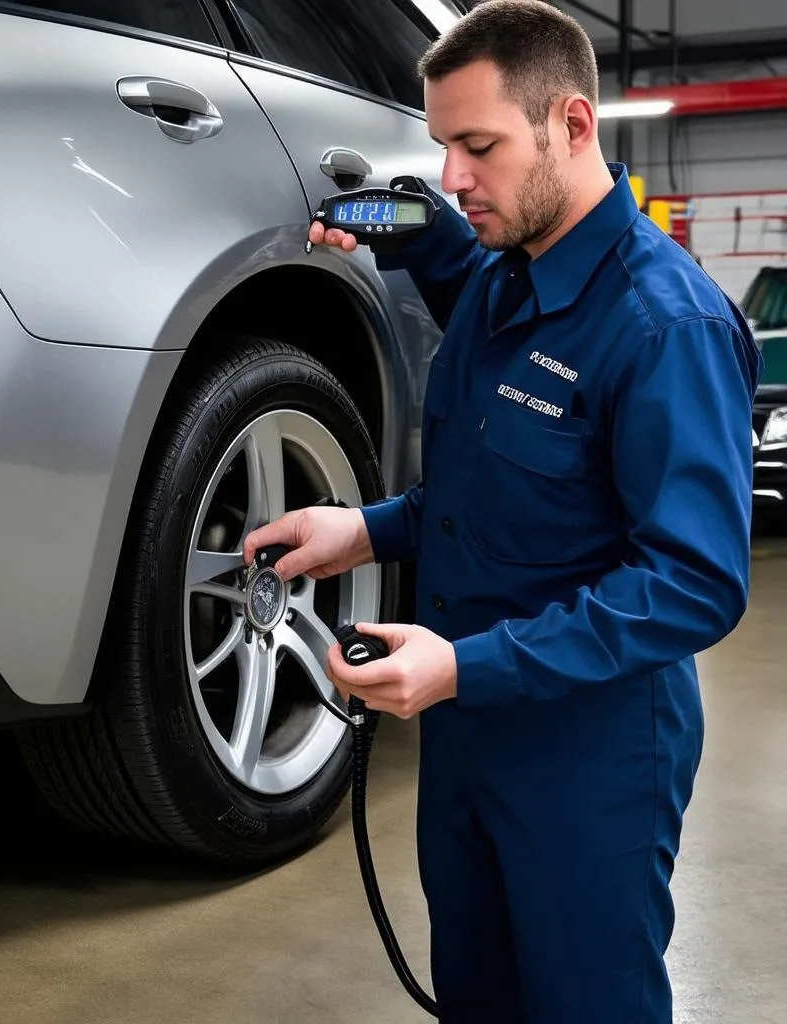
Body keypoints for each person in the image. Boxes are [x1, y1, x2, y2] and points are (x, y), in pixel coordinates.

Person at [243, 2, 762, 1022]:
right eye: (442, 146)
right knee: (477, 991)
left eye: (476, 146)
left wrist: (461, 665)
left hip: (590, 748)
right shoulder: (495, 285)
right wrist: (364, 528)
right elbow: (496, 495)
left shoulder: (663, 327)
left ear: (572, 126)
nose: (452, 176)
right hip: (467, 725)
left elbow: (694, 583)